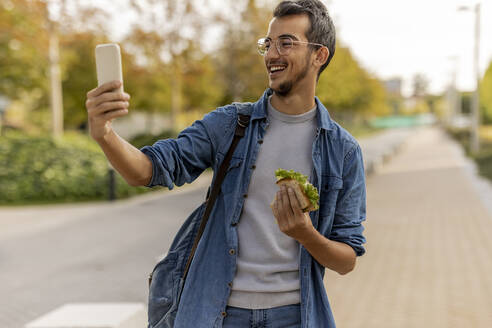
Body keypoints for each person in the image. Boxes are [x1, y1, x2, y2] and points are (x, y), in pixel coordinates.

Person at [85, 0, 366, 327]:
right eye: (268, 43)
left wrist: (304, 233)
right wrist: (104, 133)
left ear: (319, 55)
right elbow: (150, 169)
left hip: (295, 315)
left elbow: (346, 259)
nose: (272, 54)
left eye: (286, 43)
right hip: (218, 312)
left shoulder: (343, 150)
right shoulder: (231, 124)